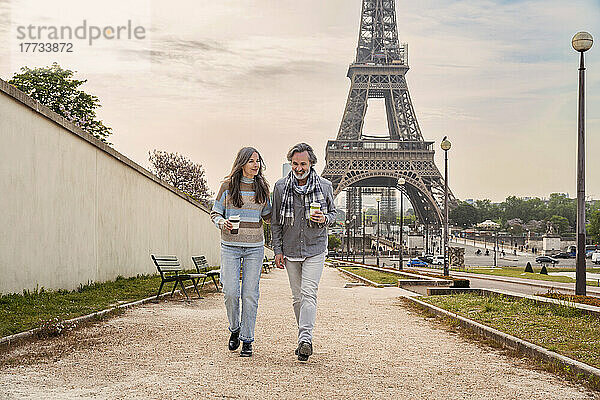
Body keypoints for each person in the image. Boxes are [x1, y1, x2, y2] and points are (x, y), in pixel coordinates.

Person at [271, 143, 337, 362]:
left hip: (315, 248)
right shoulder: (280, 187)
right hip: (290, 249)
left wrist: (325, 218)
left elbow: (334, 213)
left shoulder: (325, 186)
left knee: (309, 293)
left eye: (303, 164)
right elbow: (275, 223)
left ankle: (305, 340)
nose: (299, 168)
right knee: (297, 297)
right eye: (295, 164)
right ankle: (304, 336)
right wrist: (277, 250)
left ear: (311, 163)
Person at [210, 147, 272, 357]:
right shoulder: (227, 186)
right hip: (230, 246)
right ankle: (234, 328)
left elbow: (268, 216)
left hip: (255, 247)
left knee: (250, 294)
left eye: (258, 161)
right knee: (230, 292)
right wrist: (222, 222)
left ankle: (247, 339)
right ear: (242, 163)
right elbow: (215, 213)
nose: (256, 165)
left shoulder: (263, 187)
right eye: (252, 161)